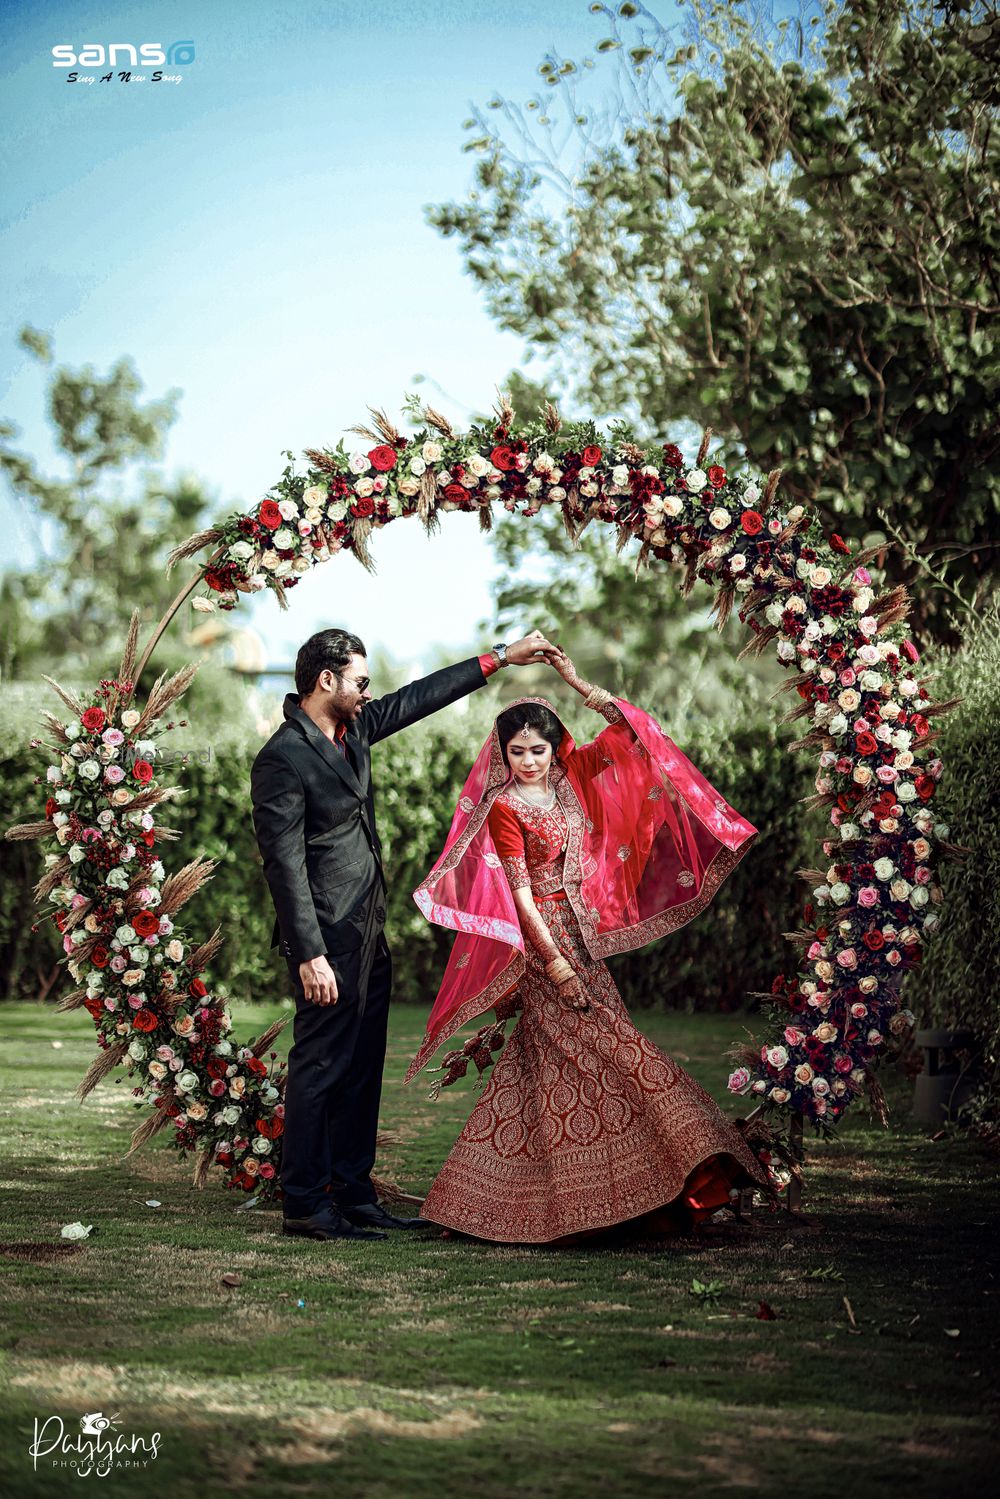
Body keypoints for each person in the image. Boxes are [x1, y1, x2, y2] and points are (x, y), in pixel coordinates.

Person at [405, 651, 771, 1244]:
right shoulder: (504, 807)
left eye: (537, 750)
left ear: (555, 748)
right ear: (503, 754)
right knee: (614, 1054)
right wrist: (553, 963)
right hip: (544, 946)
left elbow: (634, 733)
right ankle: (653, 1183)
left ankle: (491, 1203)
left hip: (585, 940)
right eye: (516, 751)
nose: (527, 762)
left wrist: (577, 683)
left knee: (540, 1073)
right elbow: (519, 894)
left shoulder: (575, 779)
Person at [250, 625, 560, 1242]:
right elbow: (283, 866)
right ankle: (306, 1205)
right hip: (327, 943)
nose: (370, 693)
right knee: (319, 1066)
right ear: (327, 680)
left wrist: (501, 657)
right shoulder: (281, 759)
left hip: (370, 933)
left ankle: (355, 1195)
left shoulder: (355, 729)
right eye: (361, 682)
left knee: (362, 1069)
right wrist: (309, 954)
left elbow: (422, 696)